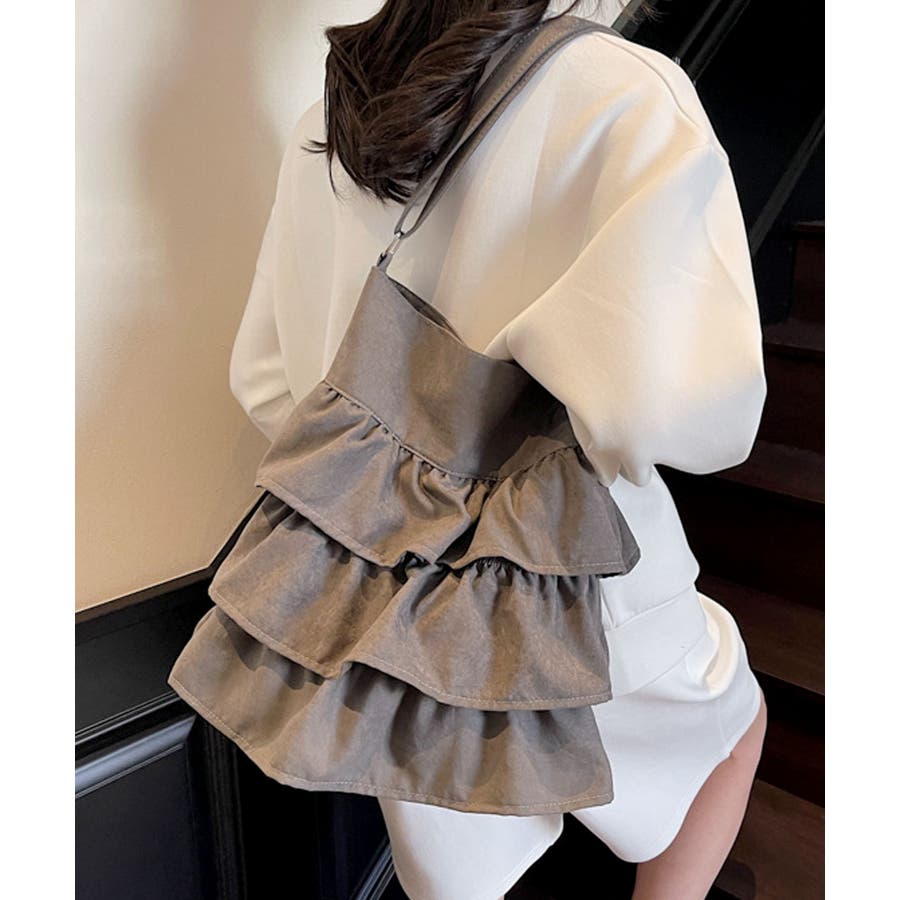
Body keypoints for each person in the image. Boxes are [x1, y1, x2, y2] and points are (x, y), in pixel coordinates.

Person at [226, 1, 768, 897]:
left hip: (386, 588)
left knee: (459, 867)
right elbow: (685, 416)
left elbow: (264, 380)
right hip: (576, 587)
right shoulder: (621, 91)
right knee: (731, 728)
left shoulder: (331, 118)